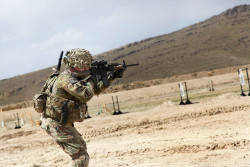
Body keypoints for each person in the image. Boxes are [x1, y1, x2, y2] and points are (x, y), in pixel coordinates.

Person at [40, 48, 124, 167]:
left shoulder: (73, 78)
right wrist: (92, 78)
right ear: (75, 65)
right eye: (84, 66)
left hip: (61, 122)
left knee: (82, 148)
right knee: (80, 157)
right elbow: (86, 94)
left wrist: (112, 76)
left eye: (88, 66)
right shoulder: (66, 80)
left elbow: (94, 90)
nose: (87, 68)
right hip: (56, 123)